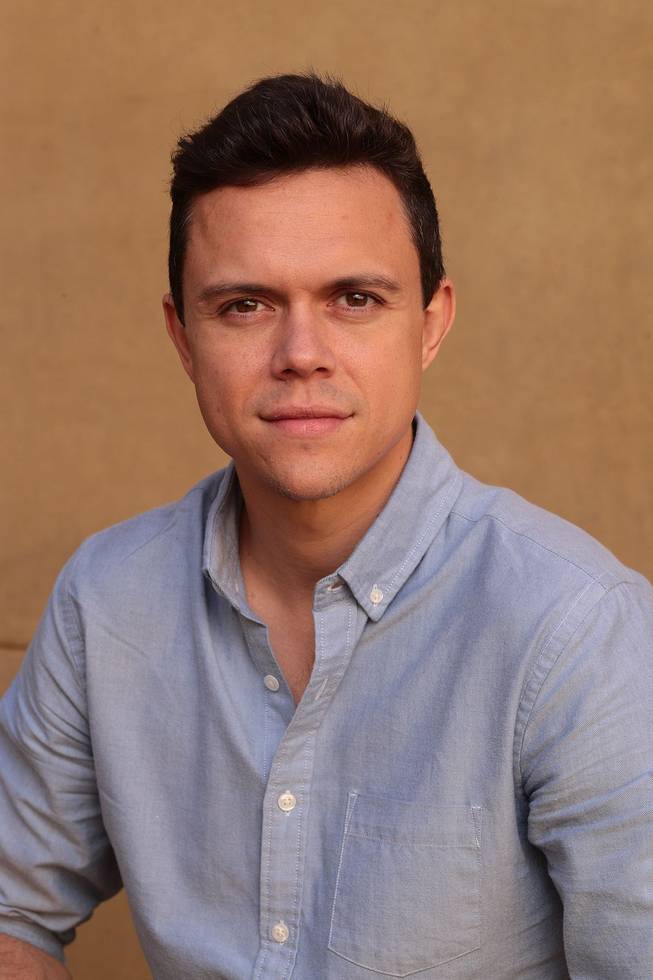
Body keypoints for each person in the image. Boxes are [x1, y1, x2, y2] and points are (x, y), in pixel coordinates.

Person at [0, 73, 651, 980]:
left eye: (354, 299)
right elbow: (10, 908)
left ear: (430, 324)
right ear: (183, 338)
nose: (300, 355)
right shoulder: (106, 601)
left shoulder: (578, 630)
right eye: (244, 305)